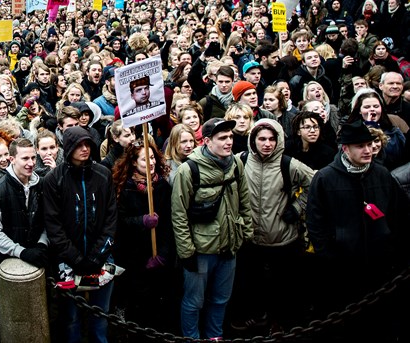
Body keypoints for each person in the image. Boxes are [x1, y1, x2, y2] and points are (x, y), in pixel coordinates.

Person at [306, 120, 410, 342]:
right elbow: (315, 222)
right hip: (341, 266)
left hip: (379, 264)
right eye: (360, 146)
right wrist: (329, 254)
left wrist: (392, 248)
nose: (368, 150)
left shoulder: (382, 175)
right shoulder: (325, 178)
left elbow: (398, 214)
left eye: (370, 144)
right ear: (345, 148)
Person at [171, 118, 253, 340]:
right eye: (222, 138)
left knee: (220, 299)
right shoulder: (189, 170)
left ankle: (214, 337)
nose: (229, 142)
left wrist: (246, 232)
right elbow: (179, 214)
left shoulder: (236, 164)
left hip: (229, 246)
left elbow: (244, 200)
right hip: (201, 250)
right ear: (207, 141)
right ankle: (192, 338)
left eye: (230, 137)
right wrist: (186, 251)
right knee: (194, 302)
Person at [231, 119, 314, 333]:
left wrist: (297, 207)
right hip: (250, 238)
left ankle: (282, 322)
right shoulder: (241, 160)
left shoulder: (288, 164)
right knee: (252, 284)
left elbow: (314, 183)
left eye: (271, 139)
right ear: (253, 140)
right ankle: (258, 317)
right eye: (262, 139)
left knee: (283, 287)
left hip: (282, 238)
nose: (267, 144)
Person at [42, 126, 117, 343]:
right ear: (68, 148)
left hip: (101, 259)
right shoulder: (54, 179)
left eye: (88, 144)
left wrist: (96, 256)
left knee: (100, 314)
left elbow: (111, 219)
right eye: (79, 145)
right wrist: (75, 258)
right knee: (71, 317)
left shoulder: (103, 175)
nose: (84, 149)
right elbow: (54, 226)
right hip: (68, 263)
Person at [111, 139, 176, 332]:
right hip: (133, 256)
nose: (151, 162)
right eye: (144, 159)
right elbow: (119, 222)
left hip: (155, 255)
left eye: (153, 157)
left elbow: (168, 225)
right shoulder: (124, 187)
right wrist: (141, 221)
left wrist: (162, 253)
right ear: (133, 162)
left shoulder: (162, 186)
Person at [0, 137, 48, 270]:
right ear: (12, 159)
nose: (31, 163)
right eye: (25, 158)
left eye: (33, 158)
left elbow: (48, 219)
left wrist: (42, 244)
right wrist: (20, 251)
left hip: (39, 257)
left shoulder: (41, 185)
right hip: (9, 263)